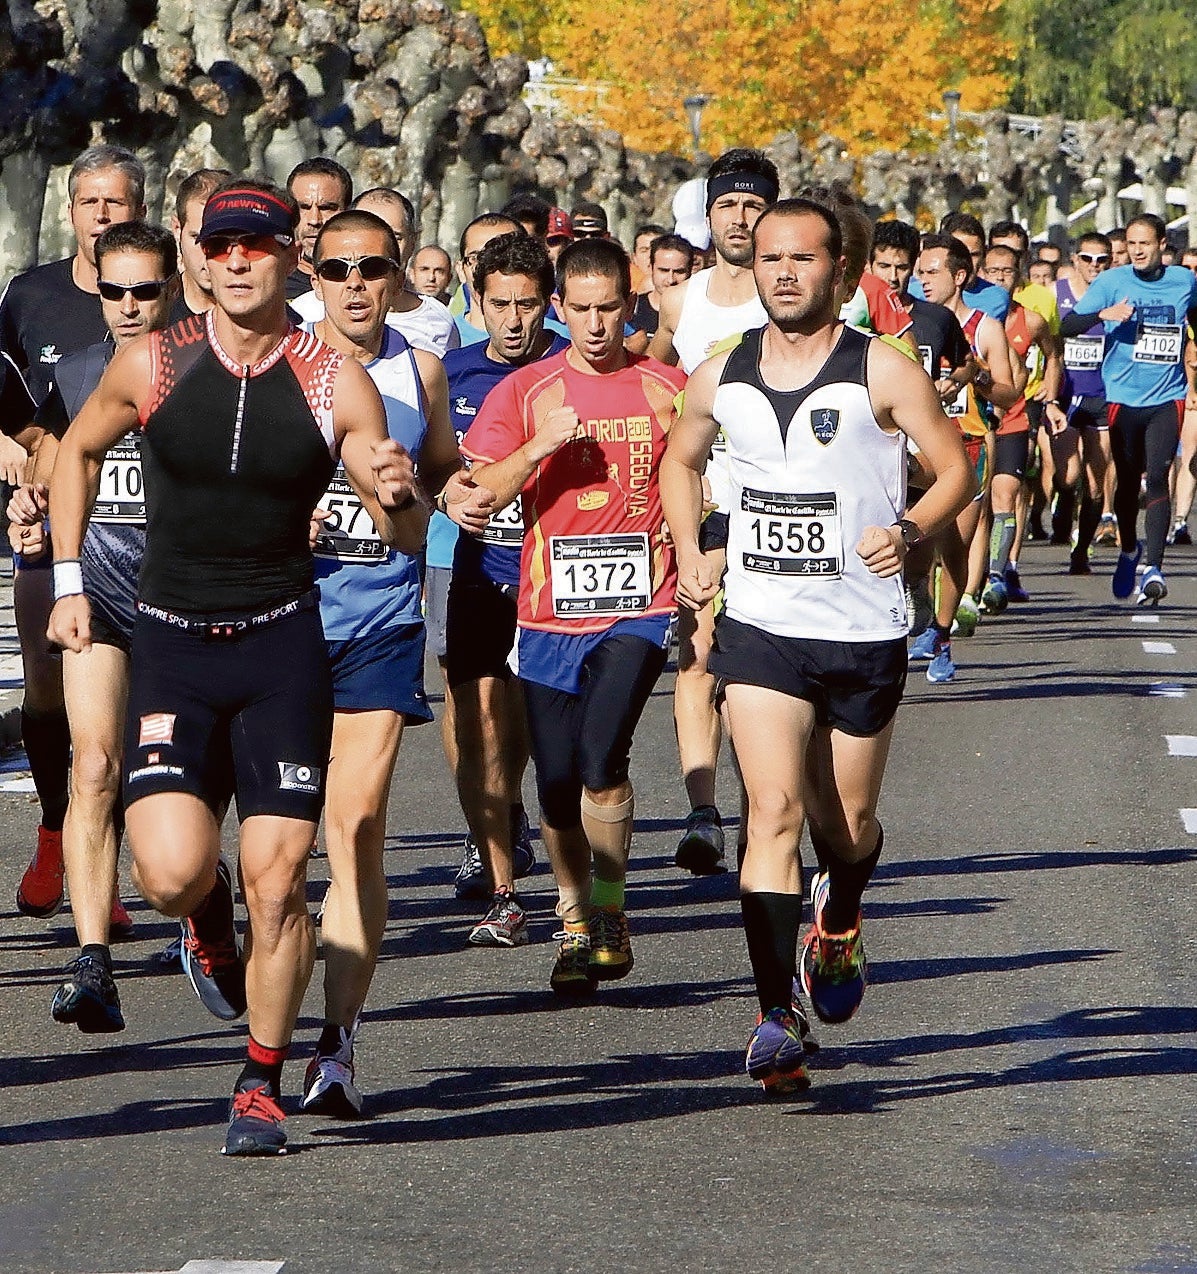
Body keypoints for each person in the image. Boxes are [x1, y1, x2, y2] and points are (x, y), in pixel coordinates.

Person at [46, 178, 426, 1157]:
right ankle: (203, 915)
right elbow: (74, 454)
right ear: (201, 261)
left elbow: (402, 526)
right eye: (222, 245)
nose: (239, 259)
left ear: (288, 258)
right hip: (172, 646)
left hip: (280, 650)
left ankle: (260, 1078)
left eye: (258, 244)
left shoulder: (334, 380)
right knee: (170, 874)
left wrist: (398, 493)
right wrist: (68, 580)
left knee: (281, 878)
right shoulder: (154, 361)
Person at [661, 198, 974, 1093]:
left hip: (861, 628)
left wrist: (907, 531)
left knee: (846, 827)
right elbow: (680, 461)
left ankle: (838, 916)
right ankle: (775, 1017)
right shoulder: (720, 374)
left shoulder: (880, 368)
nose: (784, 273)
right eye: (770, 259)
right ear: (750, 268)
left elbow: (955, 468)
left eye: (803, 259)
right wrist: (691, 550)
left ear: (840, 271)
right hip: (761, 627)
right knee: (771, 811)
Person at [462, 237, 685, 995]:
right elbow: (483, 493)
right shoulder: (525, 390)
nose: (594, 325)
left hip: (641, 606)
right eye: (581, 309)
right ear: (560, 307)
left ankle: (611, 906)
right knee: (556, 783)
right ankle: (573, 915)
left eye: (609, 309)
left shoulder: (666, 387)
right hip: (548, 613)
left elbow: (706, 474)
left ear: (630, 306)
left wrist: (702, 551)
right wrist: (537, 446)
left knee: (600, 757)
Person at [300, 208, 482, 1116]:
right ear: (313, 275)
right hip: (279, 625)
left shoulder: (422, 369)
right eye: (337, 269)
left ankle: (337, 1043)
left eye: (371, 268)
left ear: (396, 272)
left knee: (358, 823)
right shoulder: (279, 363)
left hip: (378, 622)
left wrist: (451, 491)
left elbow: (444, 468)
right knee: (269, 853)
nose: (355, 285)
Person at [8, 222, 179, 1032]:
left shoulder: (208, 369)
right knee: (95, 766)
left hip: (186, 605)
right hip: (98, 600)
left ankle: (203, 909)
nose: (129, 305)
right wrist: (28, 509)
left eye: (145, 289)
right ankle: (92, 961)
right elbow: (52, 465)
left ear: (172, 288)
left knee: (174, 794)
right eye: (114, 291)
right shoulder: (77, 373)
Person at [0, 142, 146, 927]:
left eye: (115, 201)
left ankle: (104, 866)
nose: (102, 214)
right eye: (90, 201)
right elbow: (14, 410)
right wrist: (20, 466)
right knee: (46, 687)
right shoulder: (32, 295)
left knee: (118, 718)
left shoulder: (165, 303)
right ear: (70, 212)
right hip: (49, 524)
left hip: (142, 542)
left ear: (140, 211)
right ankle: (57, 827)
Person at [650, 147, 779, 875]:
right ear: (708, 215)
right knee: (697, 653)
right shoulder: (681, 301)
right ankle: (702, 812)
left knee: (761, 670)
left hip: (779, 508)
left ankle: (768, 807)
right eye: (727, 204)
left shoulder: (789, 295)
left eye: (752, 204)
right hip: (704, 505)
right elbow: (653, 382)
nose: (739, 217)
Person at [441, 231, 570, 937]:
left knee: (539, 729)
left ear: (547, 303)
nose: (514, 320)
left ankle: (574, 876)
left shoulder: (575, 365)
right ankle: (501, 886)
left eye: (526, 305)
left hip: (560, 580)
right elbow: (433, 465)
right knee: (479, 721)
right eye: (499, 305)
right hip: (481, 570)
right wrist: (445, 495)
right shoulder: (452, 373)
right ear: (477, 302)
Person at [1059, 213, 1197, 603]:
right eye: (1131, 244)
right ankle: (1128, 550)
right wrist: (1102, 315)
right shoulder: (1111, 282)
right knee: (1127, 481)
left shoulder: (1183, 281)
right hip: (1122, 397)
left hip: (1167, 396)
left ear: (1162, 245)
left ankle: (1154, 567)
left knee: (1158, 476)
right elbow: (1068, 326)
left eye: (1144, 244)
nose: (1136, 251)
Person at [870, 219, 975, 682]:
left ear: (913, 269)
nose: (892, 276)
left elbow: (968, 363)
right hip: (877, 443)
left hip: (928, 442)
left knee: (943, 538)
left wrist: (954, 382)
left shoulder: (934, 319)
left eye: (901, 267)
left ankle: (936, 621)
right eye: (883, 266)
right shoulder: (856, 315)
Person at [916, 233, 1019, 638]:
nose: (923, 280)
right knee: (917, 541)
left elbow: (1009, 394)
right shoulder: (910, 323)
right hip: (919, 447)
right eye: (920, 272)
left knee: (954, 545)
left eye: (932, 272)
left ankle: (945, 630)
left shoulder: (985, 328)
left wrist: (974, 378)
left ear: (959, 276)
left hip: (968, 443)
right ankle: (925, 621)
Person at [293, 187, 459, 357]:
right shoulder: (303, 314)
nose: (378, 248)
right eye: (365, 231)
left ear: (412, 242)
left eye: (395, 237)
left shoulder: (438, 322)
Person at [1054, 232, 1114, 573]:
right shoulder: (1057, 293)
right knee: (1068, 476)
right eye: (1088, 258)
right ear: (1075, 259)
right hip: (1064, 397)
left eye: (1102, 259)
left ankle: (1081, 551)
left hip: (1101, 396)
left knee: (1095, 483)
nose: (1095, 265)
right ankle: (1063, 504)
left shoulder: (1117, 296)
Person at [285, 157, 352, 298]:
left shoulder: (367, 281)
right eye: (304, 207)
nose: (314, 220)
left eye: (326, 208)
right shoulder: (272, 284)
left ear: (348, 212)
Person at [170, 168, 232, 319]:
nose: (207, 252)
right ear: (177, 229)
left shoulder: (270, 316)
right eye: (198, 238)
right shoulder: (155, 312)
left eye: (220, 241)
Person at [627, 233, 694, 353]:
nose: (671, 280)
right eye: (664, 270)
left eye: (679, 272)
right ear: (651, 268)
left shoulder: (698, 310)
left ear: (690, 271)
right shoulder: (633, 308)